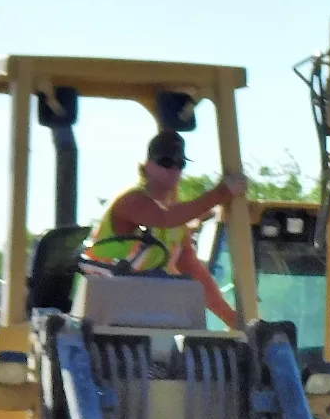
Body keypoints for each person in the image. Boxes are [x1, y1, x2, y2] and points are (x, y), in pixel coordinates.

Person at [86, 130, 246, 329]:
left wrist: (234, 321)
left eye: (180, 164)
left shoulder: (175, 223)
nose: (173, 170)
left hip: (141, 314)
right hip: (100, 315)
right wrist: (222, 192)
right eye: (166, 162)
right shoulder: (131, 202)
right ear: (148, 166)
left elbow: (196, 274)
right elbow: (164, 218)